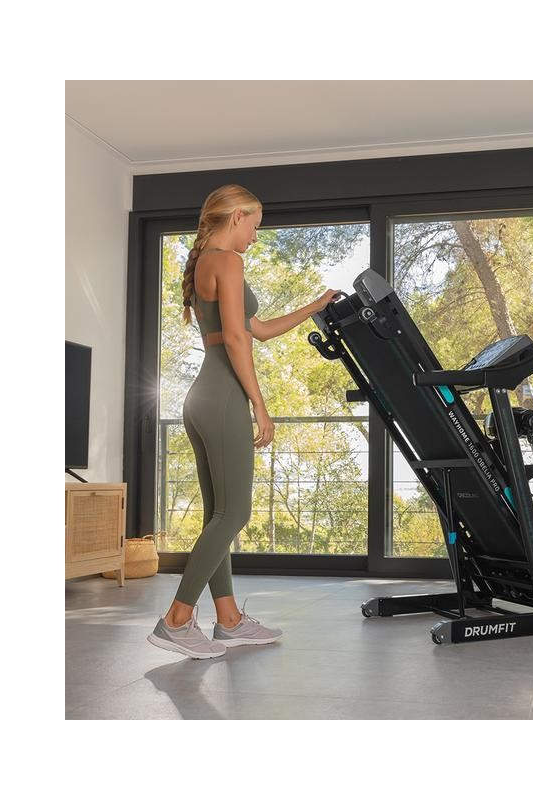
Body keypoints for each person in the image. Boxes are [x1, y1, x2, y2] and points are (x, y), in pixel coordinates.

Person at [147, 184, 341, 659]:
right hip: (223, 398)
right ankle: (177, 620)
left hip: (201, 398)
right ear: (236, 217)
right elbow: (236, 340)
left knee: (219, 513)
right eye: (254, 225)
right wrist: (259, 404)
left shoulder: (205, 263)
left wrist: (314, 306)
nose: (255, 235)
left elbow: (260, 329)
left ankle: (229, 620)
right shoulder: (228, 262)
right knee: (235, 514)